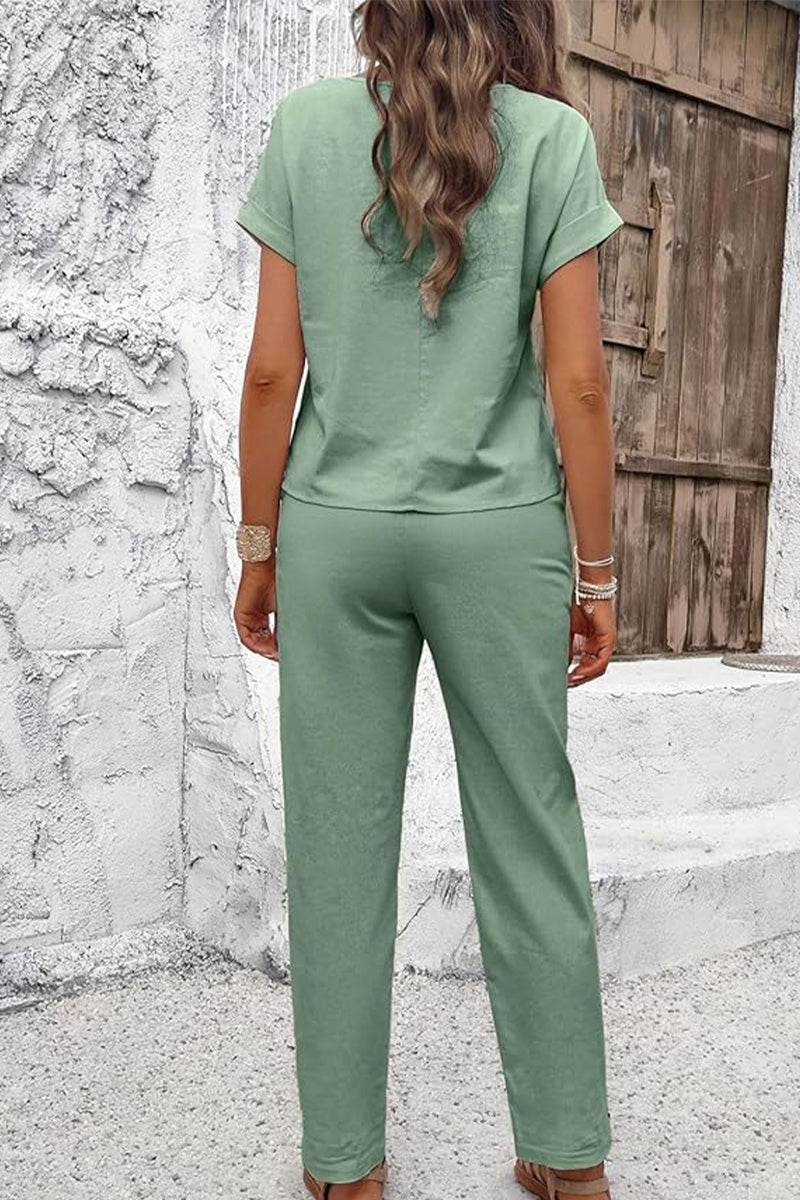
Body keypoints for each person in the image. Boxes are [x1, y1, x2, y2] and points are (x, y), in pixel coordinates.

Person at [233, 1, 623, 1197]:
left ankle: (343, 1168)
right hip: (497, 536)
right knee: (529, 831)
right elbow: (576, 382)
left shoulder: (303, 129)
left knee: (337, 844)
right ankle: (566, 1159)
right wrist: (596, 574)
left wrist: (258, 546)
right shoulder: (551, 139)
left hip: (335, 531)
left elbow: (270, 371)